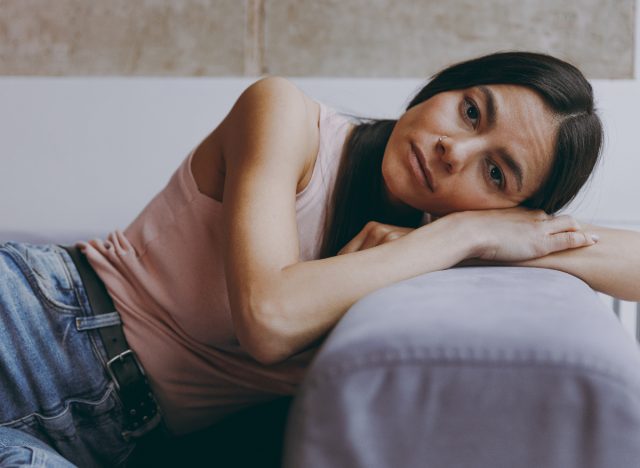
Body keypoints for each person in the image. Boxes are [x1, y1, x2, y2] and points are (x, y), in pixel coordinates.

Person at [2, 51, 639, 467]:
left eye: (496, 171)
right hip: (34, 319)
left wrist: (494, 234)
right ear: (445, 86)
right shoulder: (288, 117)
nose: (453, 148)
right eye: (471, 110)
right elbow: (269, 317)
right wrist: (457, 235)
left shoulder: (412, 252)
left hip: (96, 436)